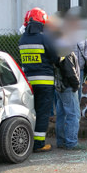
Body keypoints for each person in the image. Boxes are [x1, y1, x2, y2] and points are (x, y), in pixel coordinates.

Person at [19, 8, 60, 152]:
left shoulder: (22, 40)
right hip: (45, 82)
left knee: (32, 111)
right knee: (43, 113)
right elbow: (56, 58)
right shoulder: (44, 38)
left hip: (29, 83)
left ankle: (29, 142)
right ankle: (39, 144)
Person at [54, 17, 83, 150]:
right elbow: (69, 71)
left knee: (61, 114)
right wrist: (76, 85)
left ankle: (61, 141)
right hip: (67, 87)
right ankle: (71, 143)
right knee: (73, 115)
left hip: (59, 87)